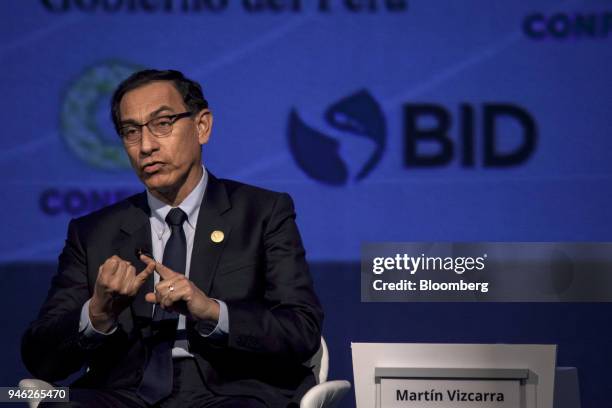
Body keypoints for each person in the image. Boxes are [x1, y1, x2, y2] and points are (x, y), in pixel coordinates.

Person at [21, 69, 324, 408]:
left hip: (233, 392)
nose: (146, 146)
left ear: (202, 126)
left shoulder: (263, 212)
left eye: (162, 124)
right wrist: (97, 313)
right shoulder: (93, 232)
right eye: (130, 132)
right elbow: (40, 356)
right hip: (125, 394)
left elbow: (301, 330)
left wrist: (211, 312)